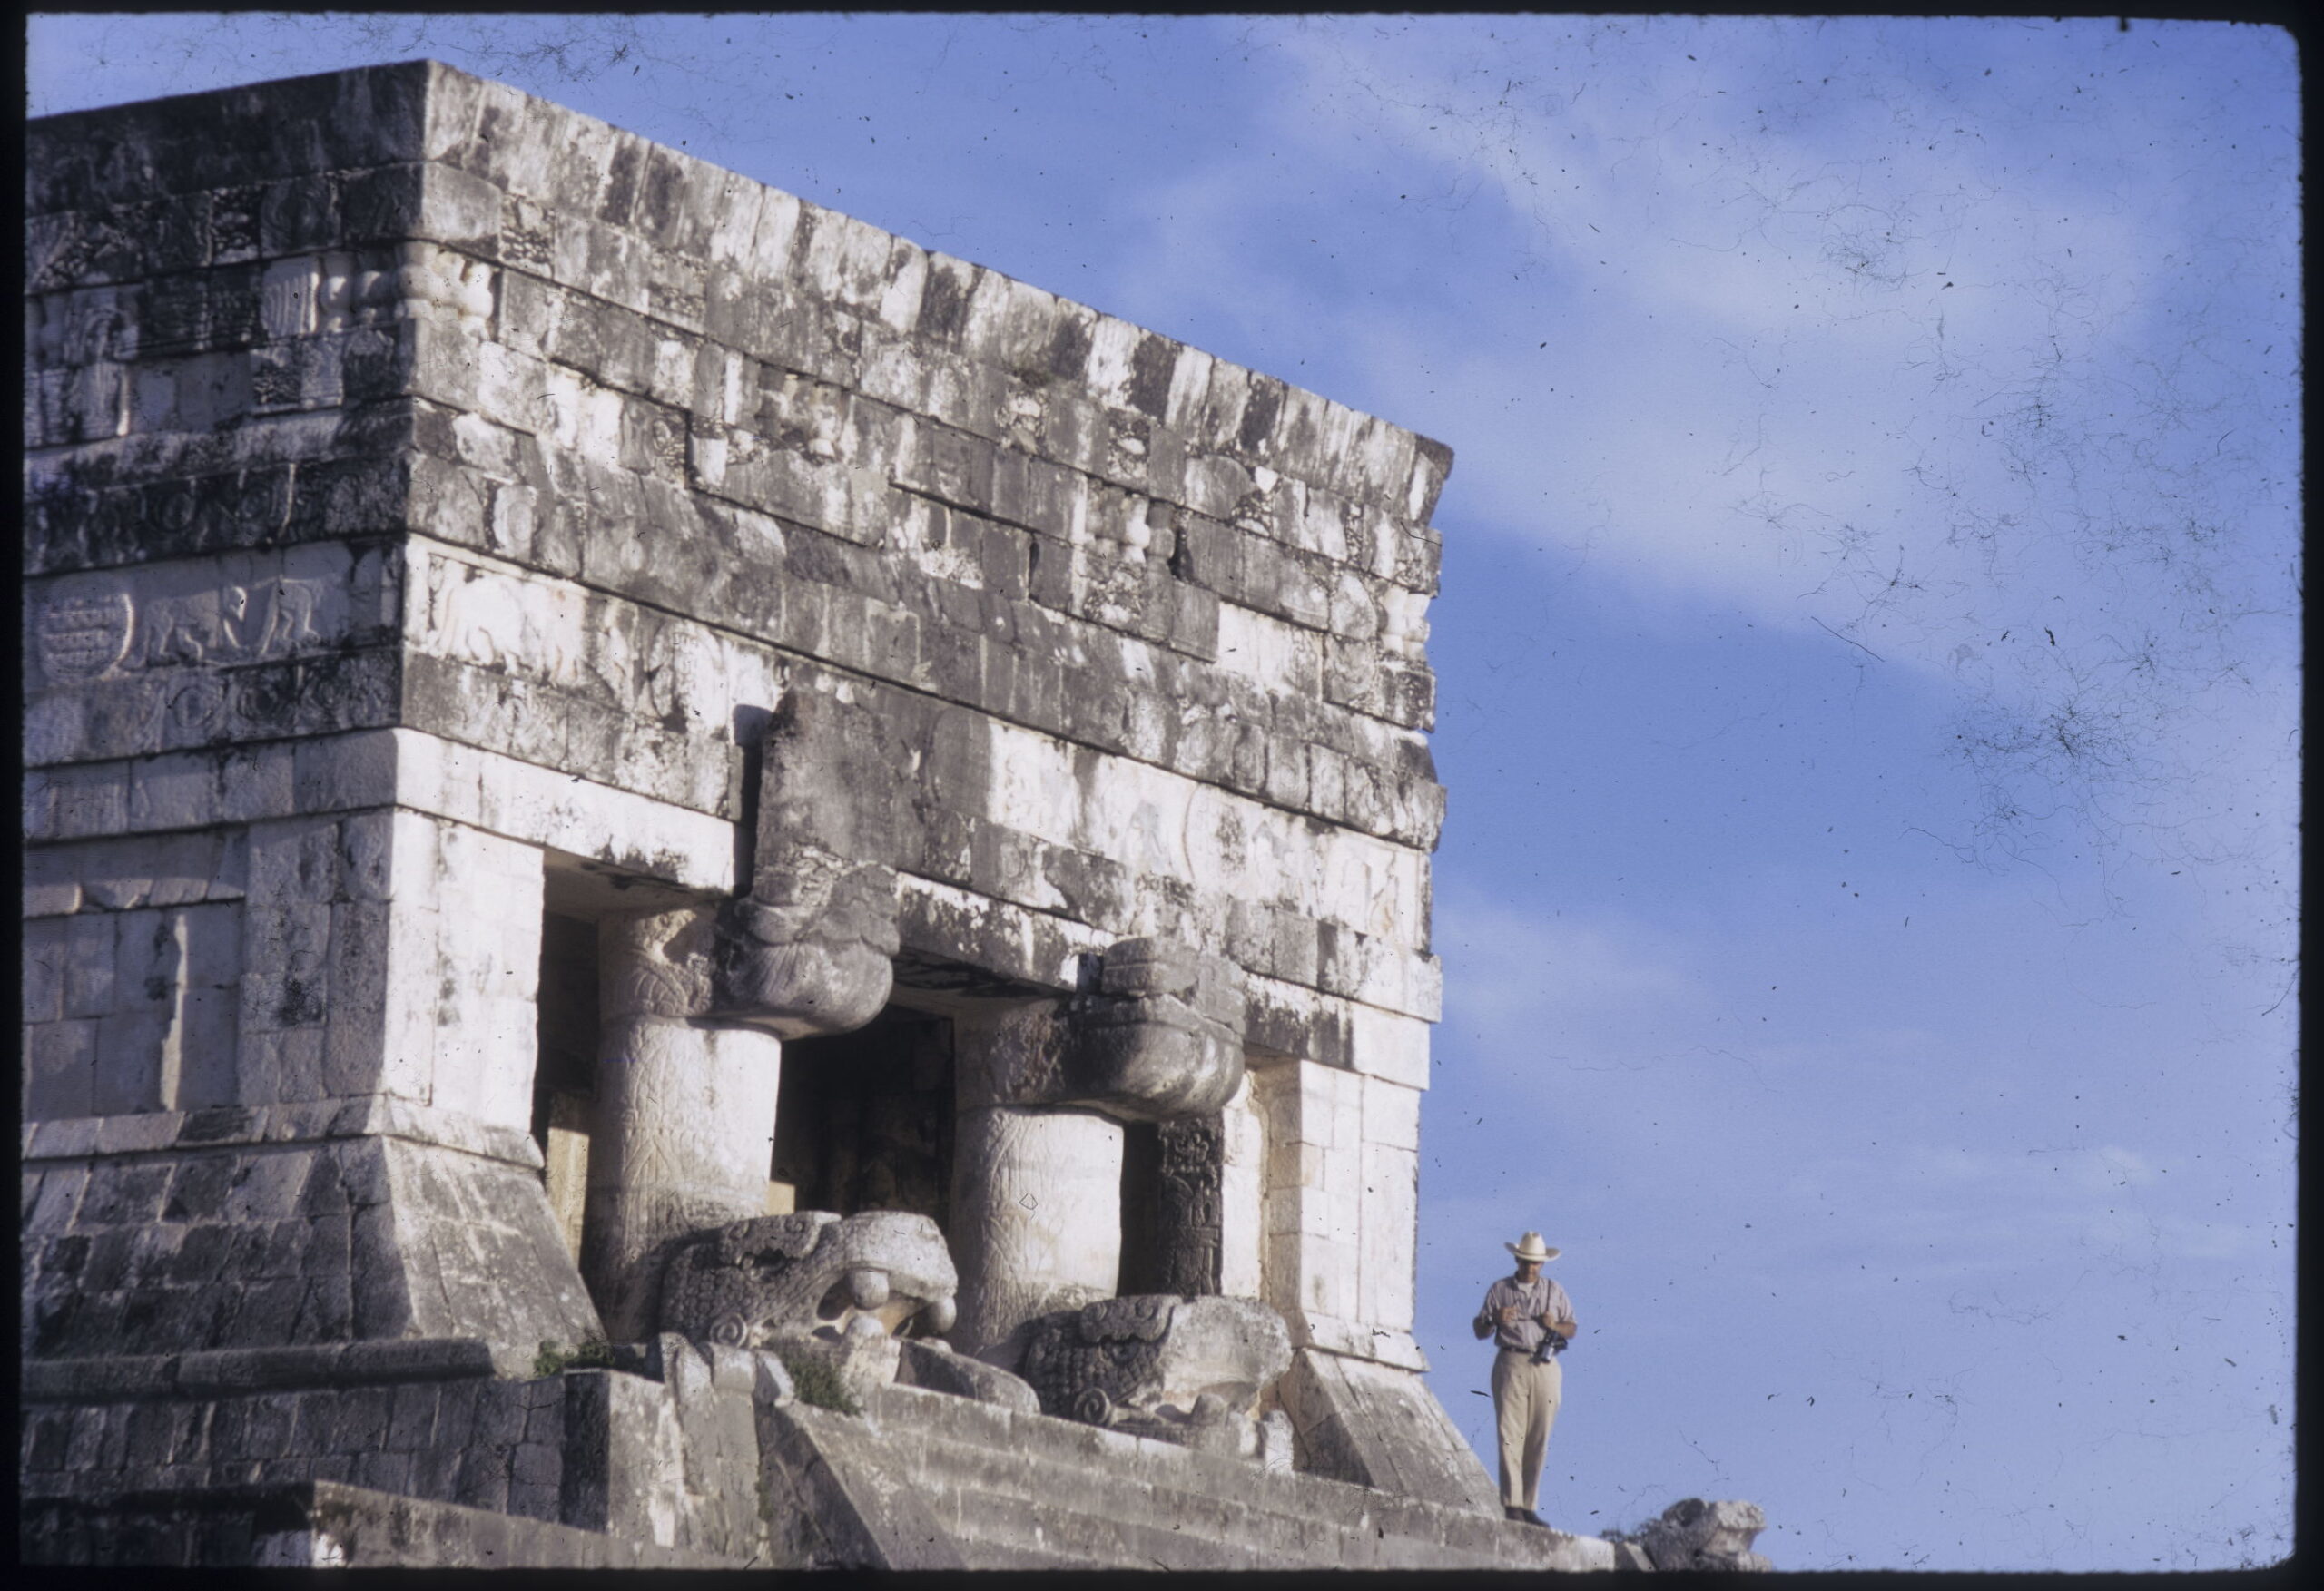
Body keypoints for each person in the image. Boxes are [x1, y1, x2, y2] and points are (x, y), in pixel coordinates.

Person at [1472, 1230, 1577, 1527]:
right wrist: (1495, 1319)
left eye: (1536, 1263)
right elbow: (1479, 1330)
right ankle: (1512, 1504)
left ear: (1542, 1264)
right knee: (1510, 1434)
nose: (1530, 1267)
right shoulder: (1500, 1290)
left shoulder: (1554, 1291)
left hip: (1545, 1363)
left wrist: (1555, 1325)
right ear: (1517, 1260)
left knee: (1538, 1436)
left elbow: (1572, 1327)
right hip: (1511, 1360)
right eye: (1526, 1262)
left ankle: (1528, 1504)